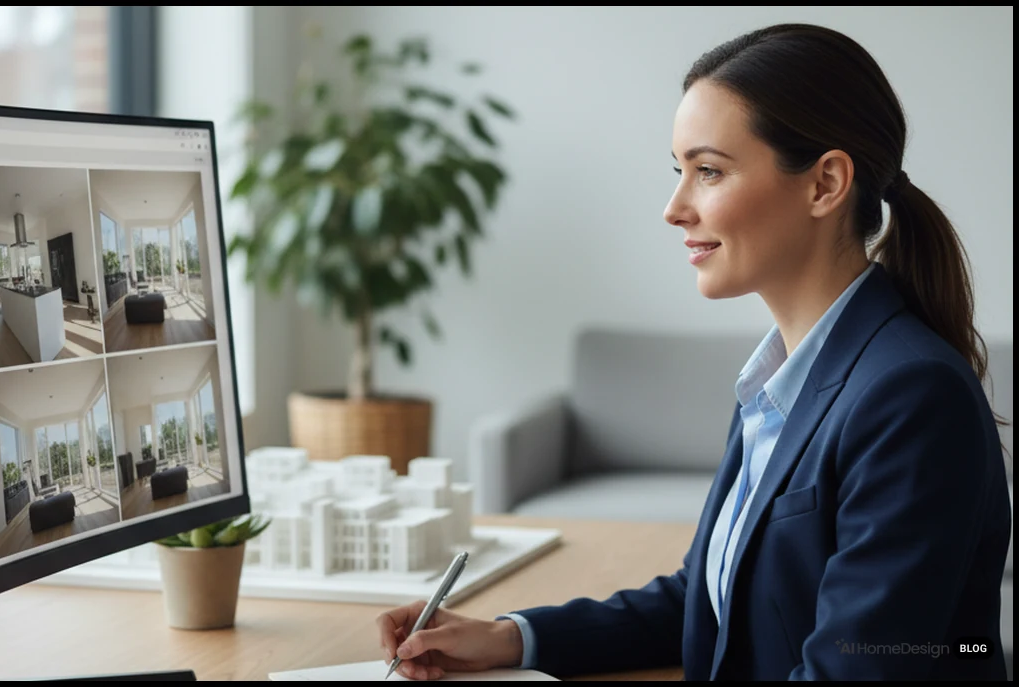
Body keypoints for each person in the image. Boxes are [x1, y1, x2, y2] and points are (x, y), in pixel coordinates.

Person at [375, 22, 1012, 681]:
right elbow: (711, 597)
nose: (674, 208)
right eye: (680, 171)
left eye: (708, 171)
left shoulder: (909, 396)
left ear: (825, 183)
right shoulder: (778, 380)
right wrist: (511, 638)